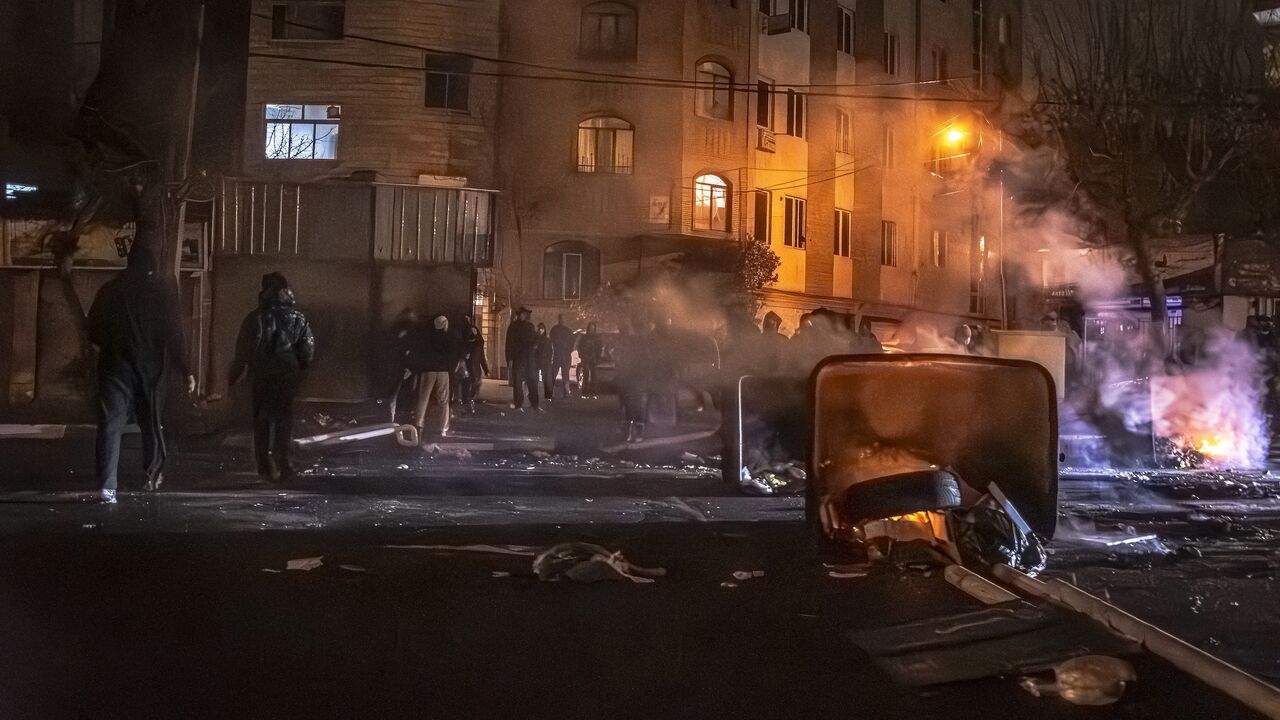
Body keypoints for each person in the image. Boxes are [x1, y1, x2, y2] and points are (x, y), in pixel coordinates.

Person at [86, 243, 195, 503]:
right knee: (151, 422)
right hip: (151, 369)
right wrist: (185, 369)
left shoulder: (109, 291)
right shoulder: (162, 293)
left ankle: (107, 487)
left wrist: (114, 346)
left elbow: (93, 330)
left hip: (115, 366)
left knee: (110, 425)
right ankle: (151, 475)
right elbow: (174, 334)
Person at [228, 272, 315, 482]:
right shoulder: (298, 318)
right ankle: (284, 462)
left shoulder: (254, 318)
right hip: (286, 377)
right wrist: (300, 369)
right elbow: (307, 350)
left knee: (262, 420)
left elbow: (242, 353)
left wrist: (233, 379)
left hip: (261, 376)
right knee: (284, 419)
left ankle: (265, 466)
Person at [411, 314, 456, 438]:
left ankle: (418, 425)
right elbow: (452, 355)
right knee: (444, 400)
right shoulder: (448, 337)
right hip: (443, 371)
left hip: (428, 370)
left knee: (423, 398)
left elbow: (421, 353)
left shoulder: (427, 337)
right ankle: (443, 428)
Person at [613, 317, 651, 442]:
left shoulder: (632, 342)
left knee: (631, 405)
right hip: (636, 378)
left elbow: (622, 360)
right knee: (637, 406)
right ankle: (636, 433)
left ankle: (631, 432)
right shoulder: (643, 342)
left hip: (632, 378)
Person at [505, 307, 541, 412]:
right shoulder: (514, 327)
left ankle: (534, 404)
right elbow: (509, 344)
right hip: (519, 358)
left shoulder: (529, 326)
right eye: (523, 314)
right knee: (518, 382)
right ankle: (519, 404)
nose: (524, 316)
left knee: (532, 381)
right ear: (520, 314)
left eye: (525, 314)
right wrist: (510, 359)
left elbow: (535, 341)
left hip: (528, 358)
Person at [457, 314, 489, 413]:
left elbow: (482, 357)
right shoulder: (470, 344)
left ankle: (468, 402)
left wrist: (486, 369)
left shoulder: (476, 345)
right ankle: (467, 403)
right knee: (468, 385)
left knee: (473, 384)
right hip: (469, 368)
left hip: (473, 368)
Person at [548, 314, 576, 398]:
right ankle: (552, 391)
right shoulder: (557, 330)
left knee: (564, 375)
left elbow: (572, 343)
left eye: (563, 319)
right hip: (559, 355)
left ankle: (565, 392)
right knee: (554, 374)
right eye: (561, 319)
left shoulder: (566, 331)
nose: (562, 320)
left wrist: (568, 349)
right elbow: (552, 341)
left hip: (564, 356)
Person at [576, 322, 604, 398]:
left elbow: (599, 348)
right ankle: (585, 393)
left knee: (594, 377)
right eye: (590, 328)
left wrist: (598, 357)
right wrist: (581, 356)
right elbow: (580, 347)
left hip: (593, 359)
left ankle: (593, 393)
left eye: (593, 328)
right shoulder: (584, 337)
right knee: (586, 376)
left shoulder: (596, 338)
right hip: (586, 359)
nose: (591, 330)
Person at [534, 322, 554, 401]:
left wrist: (549, 360)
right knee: (535, 378)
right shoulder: (535, 339)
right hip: (537, 361)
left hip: (545, 361)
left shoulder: (547, 340)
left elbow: (550, 351)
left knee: (547, 379)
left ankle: (548, 395)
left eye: (542, 329)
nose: (541, 330)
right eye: (540, 328)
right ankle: (534, 394)